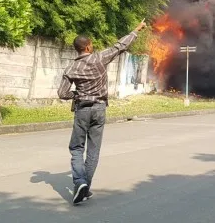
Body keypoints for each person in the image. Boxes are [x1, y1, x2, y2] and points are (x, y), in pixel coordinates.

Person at [57, 20, 147, 205]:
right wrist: (136, 30)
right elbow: (120, 46)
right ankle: (84, 186)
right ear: (88, 46)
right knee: (93, 150)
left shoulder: (71, 68)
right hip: (99, 109)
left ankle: (80, 183)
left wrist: (77, 93)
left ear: (77, 49)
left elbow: (62, 93)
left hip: (82, 109)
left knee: (76, 148)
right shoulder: (99, 58)